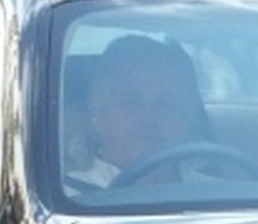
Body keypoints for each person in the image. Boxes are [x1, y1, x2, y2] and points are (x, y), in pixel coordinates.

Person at [71, 37, 211, 189]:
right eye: (131, 102)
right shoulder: (65, 198)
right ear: (97, 114)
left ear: (186, 120)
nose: (149, 117)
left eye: (166, 104)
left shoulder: (220, 197)